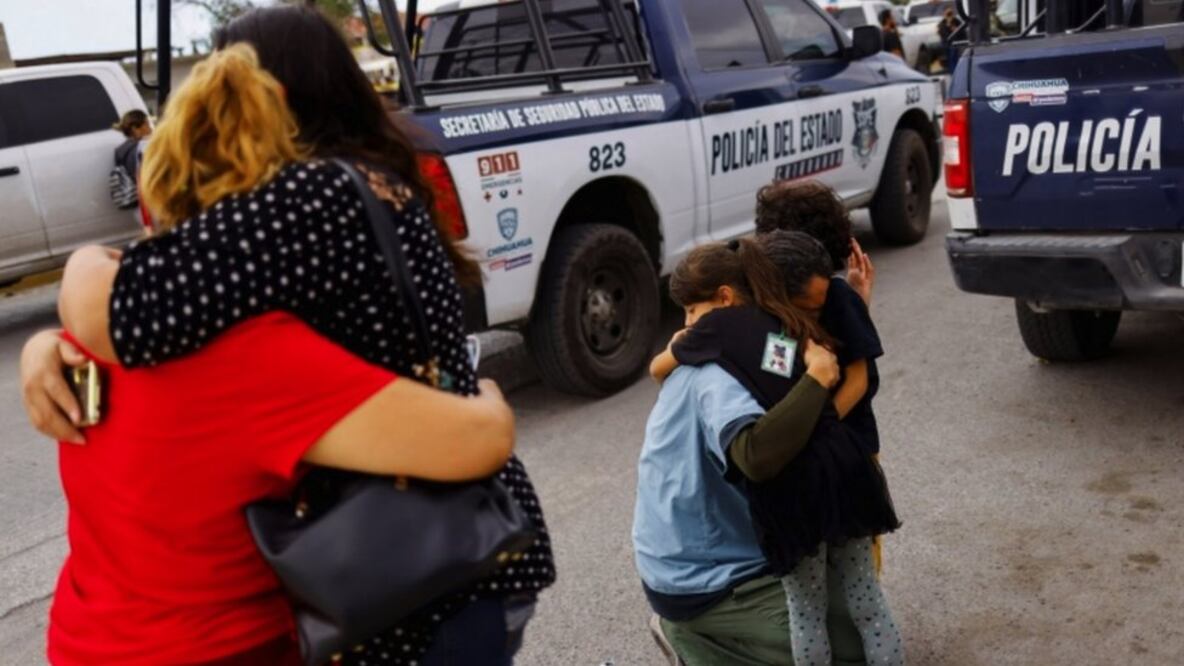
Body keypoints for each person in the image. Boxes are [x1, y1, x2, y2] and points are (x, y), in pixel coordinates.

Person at [20, 6, 554, 665]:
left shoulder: (312, 195)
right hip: (439, 543)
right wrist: (46, 343)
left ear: (270, 95)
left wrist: (74, 282)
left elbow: (126, 305)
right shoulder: (365, 178)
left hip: (421, 567)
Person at [649, 237, 903, 665]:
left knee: (806, 613)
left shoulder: (715, 331)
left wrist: (681, 343)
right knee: (868, 604)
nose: (688, 321)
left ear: (725, 295)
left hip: (795, 491)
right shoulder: (793, 324)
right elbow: (801, 375)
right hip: (845, 472)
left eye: (692, 309)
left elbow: (659, 368)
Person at [112, 109, 151, 179]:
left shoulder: (120, 151)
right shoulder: (143, 147)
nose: (150, 127)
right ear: (135, 129)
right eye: (147, 124)